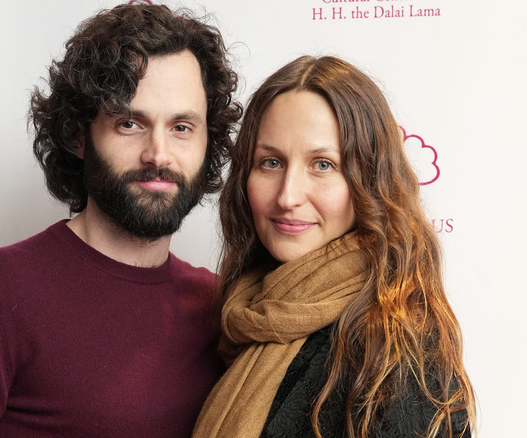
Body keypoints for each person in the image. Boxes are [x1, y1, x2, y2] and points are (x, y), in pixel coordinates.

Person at [0, 4, 241, 437]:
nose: (159, 153)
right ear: (80, 135)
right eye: (130, 122)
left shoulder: (220, 305)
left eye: (182, 127)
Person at [192, 55, 476, 438]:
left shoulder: (393, 355)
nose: (288, 196)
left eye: (322, 165)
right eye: (271, 162)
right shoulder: (244, 316)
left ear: (368, 181)